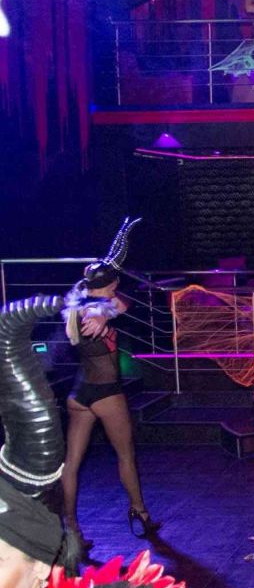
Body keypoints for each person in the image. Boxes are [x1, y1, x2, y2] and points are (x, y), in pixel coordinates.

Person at [61, 219, 160, 557]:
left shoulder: (77, 305)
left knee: (72, 463)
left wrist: (104, 311)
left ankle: (72, 530)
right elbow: (120, 304)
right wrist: (104, 313)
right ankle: (140, 513)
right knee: (126, 455)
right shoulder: (96, 311)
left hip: (79, 394)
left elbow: (118, 304)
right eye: (115, 283)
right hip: (105, 393)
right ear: (113, 283)